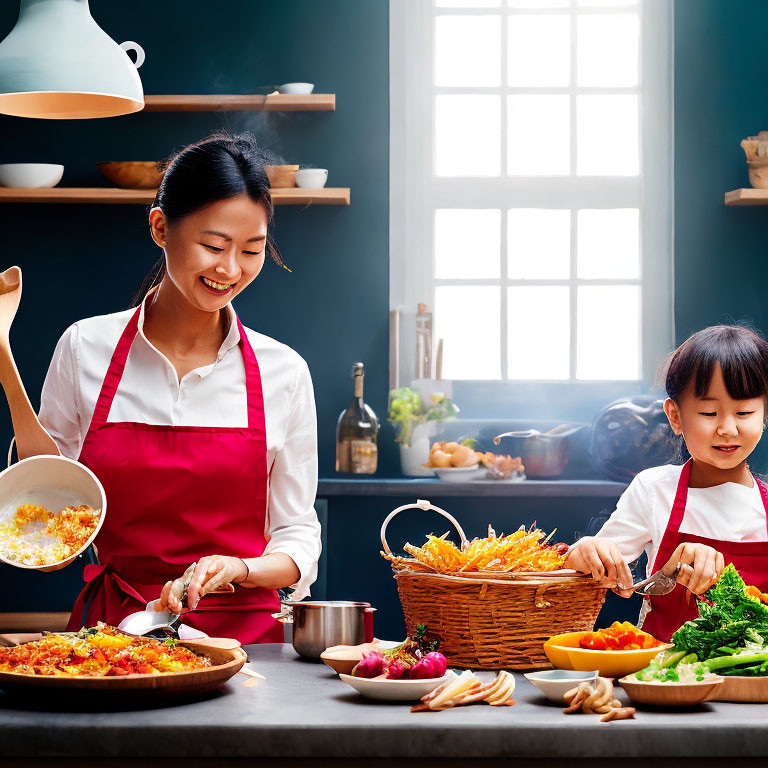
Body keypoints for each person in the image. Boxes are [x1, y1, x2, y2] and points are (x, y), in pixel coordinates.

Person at [11, 132, 321, 643]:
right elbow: (45, 508)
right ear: (160, 226)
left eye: (251, 250)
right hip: (115, 637)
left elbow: (297, 537)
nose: (230, 269)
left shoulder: (282, 371)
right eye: (213, 245)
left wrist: (240, 568)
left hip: (242, 646)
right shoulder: (84, 348)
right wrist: (43, 544)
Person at [566, 325, 768, 640]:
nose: (728, 429)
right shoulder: (654, 490)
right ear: (675, 416)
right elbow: (588, 572)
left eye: (744, 412)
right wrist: (586, 549)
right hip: (661, 674)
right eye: (709, 412)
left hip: (751, 680)